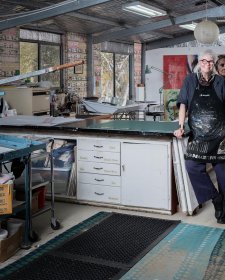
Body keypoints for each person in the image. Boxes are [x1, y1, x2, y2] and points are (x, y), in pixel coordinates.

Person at [173, 49, 225, 224]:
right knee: (192, 167)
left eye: (210, 62)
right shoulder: (189, 81)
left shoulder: (221, 82)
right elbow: (183, 105)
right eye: (204, 61)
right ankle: (215, 198)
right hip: (199, 137)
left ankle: (223, 211)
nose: (207, 64)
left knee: (223, 174)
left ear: (214, 64)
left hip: (220, 137)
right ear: (199, 63)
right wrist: (180, 126)